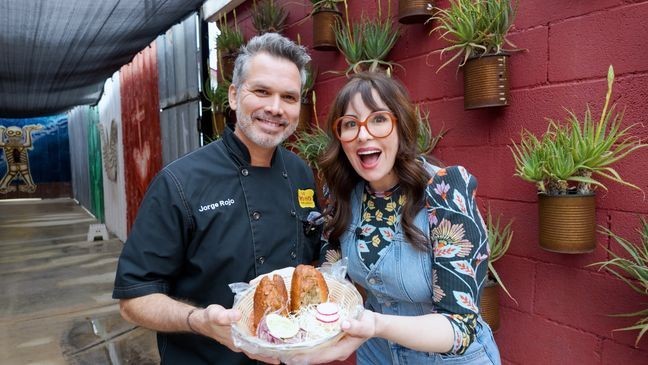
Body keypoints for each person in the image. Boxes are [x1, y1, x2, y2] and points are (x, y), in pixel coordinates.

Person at [112, 33, 323, 364]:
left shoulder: (300, 173)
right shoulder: (179, 183)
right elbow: (133, 299)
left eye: (289, 97)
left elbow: (315, 250)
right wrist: (199, 321)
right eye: (262, 91)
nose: (275, 108)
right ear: (235, 95)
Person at [290, 72, 501, 364]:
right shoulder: (345, 194)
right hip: (376, 355)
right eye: (350, 124)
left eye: (378, 119)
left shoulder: (444, 191)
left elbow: (458, 329)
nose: (364, 134)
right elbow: (334, 276)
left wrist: (374, 324)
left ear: (400, 125)